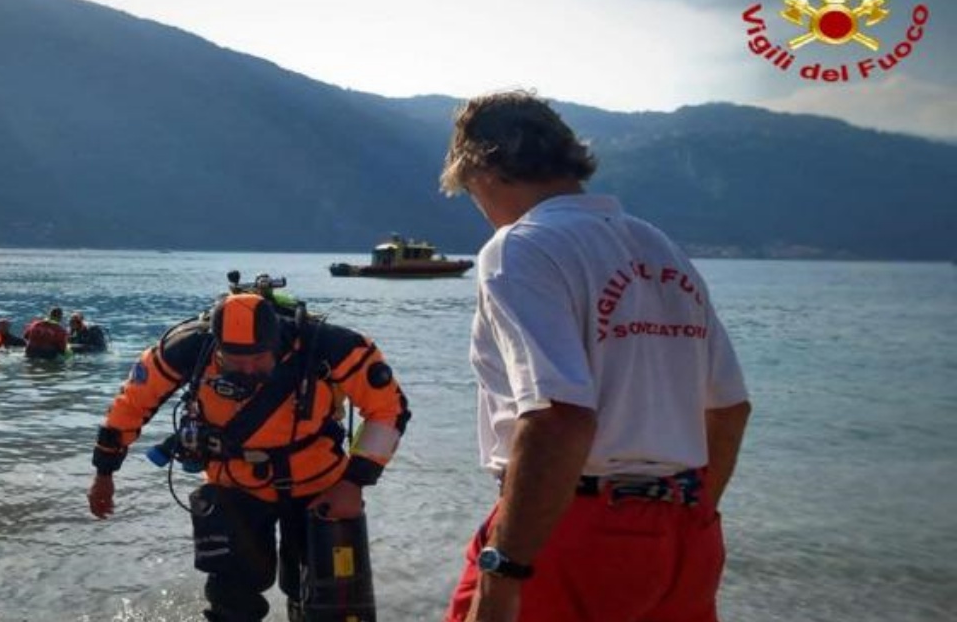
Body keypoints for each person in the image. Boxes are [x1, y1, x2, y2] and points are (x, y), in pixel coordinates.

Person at [437, 91, 751, 622]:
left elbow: (558, 415)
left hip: (569, 532)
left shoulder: (520, 248)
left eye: (468, 190)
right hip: (681, 534)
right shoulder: (656, 246)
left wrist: (505, 570)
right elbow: (729, 408)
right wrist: (695, 515)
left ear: (483, 171)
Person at [86, 292, 410, 621]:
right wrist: (104, 472)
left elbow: (389, 410)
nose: (249, 369)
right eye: (236, 361)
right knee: (231, 603)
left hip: (320, 487)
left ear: (277, 341)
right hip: (234, 487)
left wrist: (353, 483)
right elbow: (130, 406)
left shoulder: (330, 346)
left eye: (259, 359)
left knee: (331, 602)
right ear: (216, 346)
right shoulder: (187, 349)